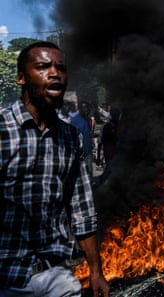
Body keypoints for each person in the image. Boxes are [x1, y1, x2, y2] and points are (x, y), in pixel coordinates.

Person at [0, 41, 109, 297]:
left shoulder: (70, 137)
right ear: (20, 78)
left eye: (60, 68)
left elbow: (81, 206)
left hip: (58, 277)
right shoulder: (3, 131)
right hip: (7, 279)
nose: (54, 73)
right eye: (43, 66)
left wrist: (95, 270)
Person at [68, 101, 94, 177]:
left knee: (89, 176)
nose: (85, 109)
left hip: (88, 153)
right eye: (83, 107)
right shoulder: (74, 121)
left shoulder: (89, 120)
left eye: (87, 107)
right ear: (79, 108)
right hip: (79, 155)